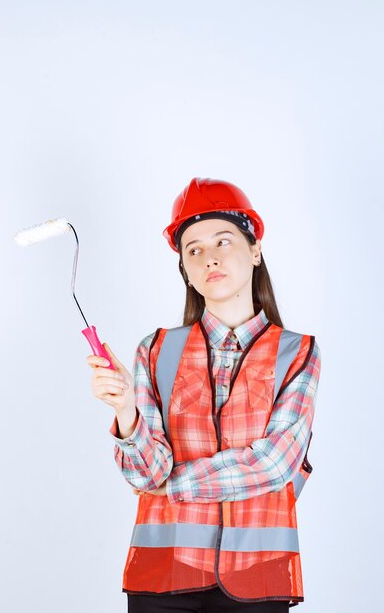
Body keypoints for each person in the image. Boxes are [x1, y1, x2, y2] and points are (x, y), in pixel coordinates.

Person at [87, 177, 322, 612]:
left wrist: (173, 487)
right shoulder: (155, 350)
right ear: (186, 273)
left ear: (255, 251)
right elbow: (145, 475)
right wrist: (125, 411)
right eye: (193, 250)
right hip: (164, 572)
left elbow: (274, 463)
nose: (208, 258)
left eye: (222, 242)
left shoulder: (296, 352)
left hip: (258, 573)